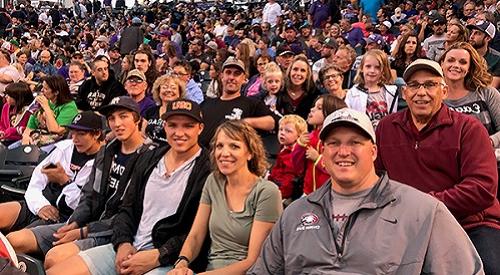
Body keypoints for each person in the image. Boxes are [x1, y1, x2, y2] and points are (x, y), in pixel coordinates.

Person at [248, 108, 484, 274]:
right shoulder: (295, 213)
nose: (343, 151)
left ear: (373, 152)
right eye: (333, 143)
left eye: (354, 142)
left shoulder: (423, 211)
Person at [46, 99, 211, 275]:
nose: (179, 132)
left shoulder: (208, 169)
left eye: (188, 126)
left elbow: (198, 231)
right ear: (165, 126)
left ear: (200, 128)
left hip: (168, 258)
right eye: (172, 125)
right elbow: (127, 208)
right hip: (129, 244)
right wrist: (123, 243)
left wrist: (159, 255)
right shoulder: (150, 158)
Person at [375, 59, 500, 275]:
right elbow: (374, 178)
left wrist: (423, 206)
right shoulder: (386, 127)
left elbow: (482, 188)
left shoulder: (469, 129)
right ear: (405, 93)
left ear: (443, 91)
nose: (421, 92)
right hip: (406, 226)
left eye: (430, 85)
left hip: (469, 224)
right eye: (414, 85)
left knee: (490, 270)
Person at [7, 96, 152, 269]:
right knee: (13, 241)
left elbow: (130, 213)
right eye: (112, 118)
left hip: (113, 231)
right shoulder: (107, 152)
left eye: (124, 116)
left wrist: (83, 231)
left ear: (137, 119)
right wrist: (73, 224)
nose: (117, 123)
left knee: (54, 258)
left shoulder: (149, 157)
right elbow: (89, 196)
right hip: (83, 222)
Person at [168, 120, 282, 275]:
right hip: (211, 269)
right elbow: (195, 235)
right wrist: (182, 263)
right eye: (220, 146)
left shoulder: (267, 192)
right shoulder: (213, 181)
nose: (224, 153)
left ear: (250, 153)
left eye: (234, 146)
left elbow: (254, 261)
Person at [1, 111, 103, 234]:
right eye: (73, 133)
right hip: (40, 204)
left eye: (81, 134)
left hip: (63, 216)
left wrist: (64, 181)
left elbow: (81, 205)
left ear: (97, 134)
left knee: (14, 239)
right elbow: (36, 181)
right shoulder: (65, 148)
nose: (75, 139)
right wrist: (40, 206)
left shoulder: (103, 161)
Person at [199, 57, 276, 147]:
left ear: (244, 78)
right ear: (221, 76)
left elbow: (274, 122)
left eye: (237, 74)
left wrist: (246, 122)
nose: (231, 77)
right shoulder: (206, 104)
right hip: (202, 157)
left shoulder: (252, 104)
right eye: (228, 72)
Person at [440, 42, 500, 149]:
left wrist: (488, 142)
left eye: (463, 62)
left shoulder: (487, 93)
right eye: (450, 60)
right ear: (442, 63)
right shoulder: (434, 97)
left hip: (486, 158)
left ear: (469, 68)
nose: (456, 65)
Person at [292, 95, 347, 196]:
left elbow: (338, 168)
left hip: (330, 194)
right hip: (308, 192)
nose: (312, 109)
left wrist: (318, 159)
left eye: (319, 108)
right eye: (314, 106)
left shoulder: (338, 139)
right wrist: (299, 145)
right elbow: (297, 167)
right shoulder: (309, 137)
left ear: (331, 113)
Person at [21, 75, 78, 148]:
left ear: (56, 92)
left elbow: (55, 130)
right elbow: (29, 127)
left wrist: (46, 107)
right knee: (11, 149)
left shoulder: (69, 107)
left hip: (55, 143)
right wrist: (26, 137)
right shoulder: (39, 103)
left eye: (46, 89)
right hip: (35, 138)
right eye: (42, 87)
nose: (42, 90)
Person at [346, 49, 398, 128]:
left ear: (383, 71)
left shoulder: (392, 92)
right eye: (368, 66)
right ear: (361, 68)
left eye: (377, 67)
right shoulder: (352, 93)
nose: (372, 71)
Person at [269, 114, 307, 202]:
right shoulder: (283, 148)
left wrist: (280, 194)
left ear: (299, 136)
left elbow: (289, 178)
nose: (282, 133)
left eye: (288, 131)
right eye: (281, 129)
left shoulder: (293, 154)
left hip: (284, 191)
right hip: (274, 182)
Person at [144, 75, 186, 145]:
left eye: (173, 88)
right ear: (158, 92)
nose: (169, 90)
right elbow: (143, 134)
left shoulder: (183, 114)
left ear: (179, 93)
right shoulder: (150, 111)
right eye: (165, 87)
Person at [276, 55, 319, 120]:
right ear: (290, 71)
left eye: (303, 70)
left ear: (307, 75)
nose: (298, 73)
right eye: (295, 69)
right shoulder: (279, 89)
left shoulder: (314, 94)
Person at [467, 20, 500, 88]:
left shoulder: (497, 58)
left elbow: (492, 88)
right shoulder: (464, 53)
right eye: (472, 32)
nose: (471, 36)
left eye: (477, 33)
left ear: (487, 38)